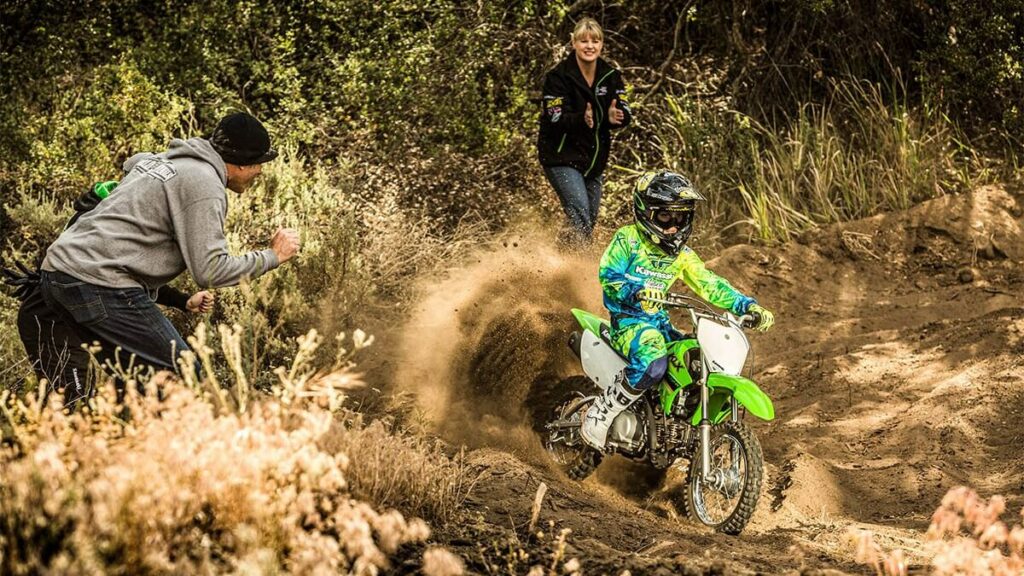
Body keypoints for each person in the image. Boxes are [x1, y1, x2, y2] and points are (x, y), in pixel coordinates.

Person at [28, 112, 300, 405]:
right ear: (241, 161)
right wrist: (274, 256)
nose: (261, 171)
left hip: (57, 275)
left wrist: (179, 300)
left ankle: (123, 442)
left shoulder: (163, 160)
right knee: (184, 378)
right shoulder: (204, 183)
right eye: (259, 163)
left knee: (137, 381)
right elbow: (212, 271)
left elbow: (133, 163)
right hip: (97, 283)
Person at [580, 171, 775, 450]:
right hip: (628, 322)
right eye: (665, 217)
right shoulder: (629, 239)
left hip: (659, 324)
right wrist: (636, 291)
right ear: (646, 212)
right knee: (653, 358)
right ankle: (601, 413)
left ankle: (672, 424)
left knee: (696, 356)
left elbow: (711, 284)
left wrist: (747, 305)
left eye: (680, 217)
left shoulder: (682, 256)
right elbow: (609, 277)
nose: (673, 226)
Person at [3, 182, 215, 409]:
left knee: (122, 382)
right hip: (49, 321)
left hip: (74, 317)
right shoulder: (103, 227)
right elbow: (106, 279)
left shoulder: (111, 226)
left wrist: (182, 301)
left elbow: (123, 279)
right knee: (70, 395)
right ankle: (51, 439)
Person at [537, 17, 632, 247]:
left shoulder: (610, 75)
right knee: (580, 215)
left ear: (601, 44)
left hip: (594, 159)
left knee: (586, 221)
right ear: (574, 43)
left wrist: (616, 117)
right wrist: (582, 118)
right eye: (584, 41)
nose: (590, 46)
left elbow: (624, 109)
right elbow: (555, 117)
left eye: (595, 41)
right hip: (561, 156)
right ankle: (577, 272)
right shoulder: (558, 77)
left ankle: (556, 264)